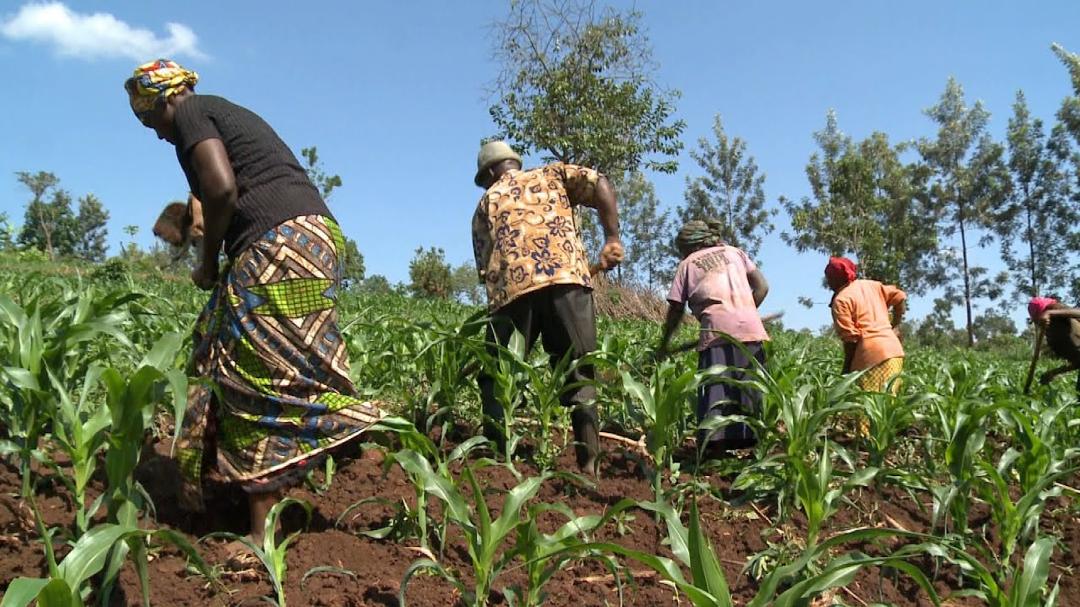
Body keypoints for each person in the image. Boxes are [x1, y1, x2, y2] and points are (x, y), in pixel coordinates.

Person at [126, 59, 383, 546]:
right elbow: (208, 197)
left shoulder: (190, 113)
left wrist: (206, 262)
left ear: (162, 100)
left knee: (257, 377)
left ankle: (268, 527)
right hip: (312, 240)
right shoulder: (222, 114)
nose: (155, 133)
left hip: (274, 245)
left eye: (148, 120)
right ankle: (211, 480)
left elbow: (222, 189)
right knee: (232, 350)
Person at [471, 140, 623, 473]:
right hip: (566, 278)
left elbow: (486, 268)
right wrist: (611, 236)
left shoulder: (486, 203)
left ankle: (497, 465)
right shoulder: (553, 174)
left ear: (492, 172)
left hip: (512, 291)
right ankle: (589, 467)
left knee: (498, 377)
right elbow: (600, 184)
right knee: (580, 372)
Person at [657, 219, 770, 453]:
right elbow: (762, 287)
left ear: (689, 246)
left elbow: (676, 310)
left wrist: (664, 343)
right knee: (748, 388)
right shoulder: (735, 252)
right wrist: (745, 312)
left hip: (717, 331)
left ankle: (713, 448)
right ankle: (751, 446)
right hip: (751, 328)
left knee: (716, 389)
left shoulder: (688, 264)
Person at [825, 256, 906, 393]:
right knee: (887, 407)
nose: (828, 283)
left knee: (865, 409)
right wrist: (896, 326)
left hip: (871, 359)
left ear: (834, 280)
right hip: (895, 353)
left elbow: (851, 340)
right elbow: (900, 297)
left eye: (828, 278)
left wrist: (846, 372)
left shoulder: (841, 300)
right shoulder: (872, 285)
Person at [1029, 296, 1080, 391]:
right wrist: (1053, 372)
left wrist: (1050, 312)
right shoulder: (1054, 336)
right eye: (1036, 321)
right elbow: (1078, 362)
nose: (1038, 323)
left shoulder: (1055, 310)